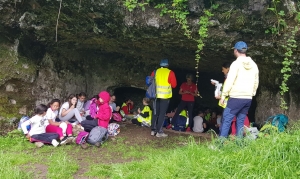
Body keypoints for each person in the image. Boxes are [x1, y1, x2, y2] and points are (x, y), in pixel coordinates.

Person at [220, 41, 259, 138]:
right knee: (240, 121)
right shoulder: (254, 65)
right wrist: (252, 93)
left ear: (236, 50)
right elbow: (256, 82)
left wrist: (223, 95)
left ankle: (219, 144)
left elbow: (230, 81)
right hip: (248, 98)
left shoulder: (236, 64)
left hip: (236, 97)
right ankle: (239, 144)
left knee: (226, 119)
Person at [151, 59, 177, 137]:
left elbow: (150, 81)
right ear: (167, 65)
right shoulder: (170, 73)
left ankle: (153, 130)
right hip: (165, 97)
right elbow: (174, 85)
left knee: (155, 113)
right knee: (162, 114)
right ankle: (159, 132)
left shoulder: (155, 72)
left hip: (155, 95)